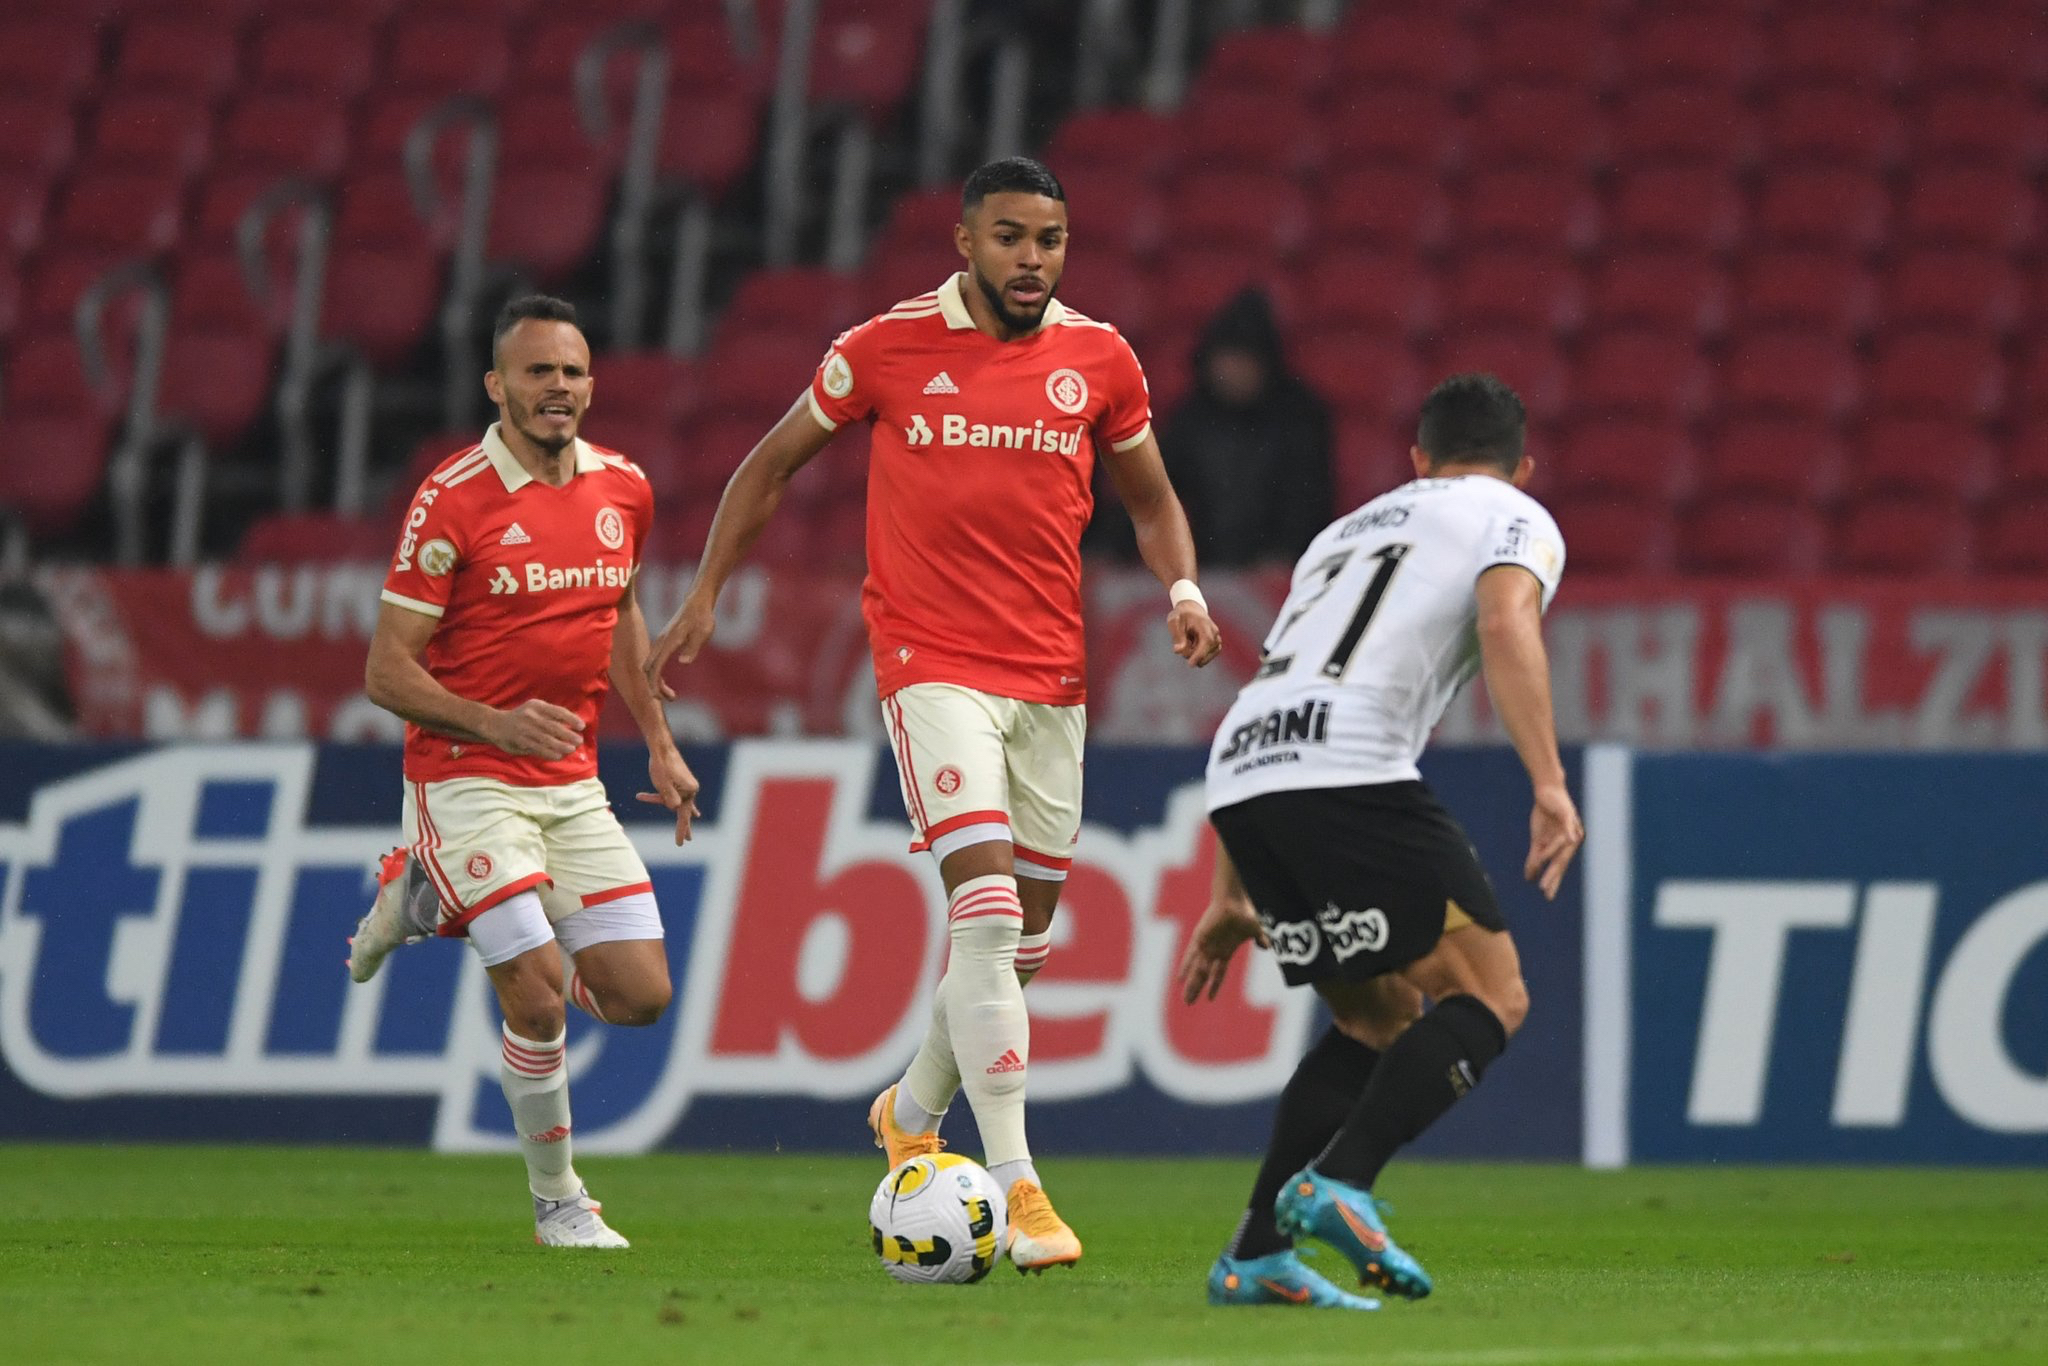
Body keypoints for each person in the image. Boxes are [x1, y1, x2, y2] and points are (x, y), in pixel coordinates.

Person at [644, 157, 1223, 1272]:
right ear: (963, 242)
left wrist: (1182, 588)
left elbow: (1150, 500)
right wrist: (707, 589)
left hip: (1050, 680)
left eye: (1048, 240)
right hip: (930, 664)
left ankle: (910, 1109)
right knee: (991, 911)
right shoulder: (883, 348)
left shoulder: (1100, 359)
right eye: (1008, 237)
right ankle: (1021, 1190)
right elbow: (767, 468)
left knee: (1023, 946)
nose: (1030, 259)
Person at [1177, 373, 1582, 1310]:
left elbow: (1272, 679)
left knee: (1372, 1018)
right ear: (1521, 467)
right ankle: (1341, 1183)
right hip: (1349, 768)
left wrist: (1229, 891)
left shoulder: (1343, 531)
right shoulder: (1515, 516)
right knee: (1492, 994)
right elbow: (1506, 617)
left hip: (1243, 767)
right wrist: (1550, 783)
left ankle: (1256, 1254)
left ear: (1417, 461)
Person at [347, 294, 702, 1250]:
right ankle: (561, 1204)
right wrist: (495, 722)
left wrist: (659, 744)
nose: (559, 388)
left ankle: (426, 899)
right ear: (497, 385)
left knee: (640, 997)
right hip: (464, 776)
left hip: (570, 779)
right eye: (538, 372)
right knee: (538, 987)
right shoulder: (452, 496)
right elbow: (386, 671)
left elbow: (618, 619)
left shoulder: (623, 487)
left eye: (573, 371)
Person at [1087, 288, 1334, 567]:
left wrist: (1284, 558)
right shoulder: (1194, 419)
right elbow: (1152, 490)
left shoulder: (1299, 419)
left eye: (1244, 361)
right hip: (1213, 573)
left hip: (1285, 573)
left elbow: (1307, 503)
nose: (1234, 372)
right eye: (1227, 360)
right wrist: (1109, 548)